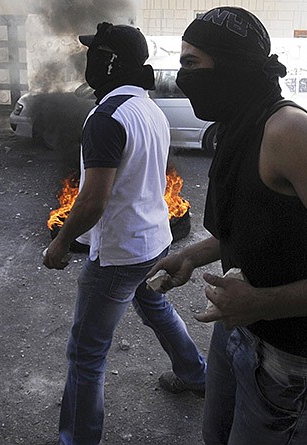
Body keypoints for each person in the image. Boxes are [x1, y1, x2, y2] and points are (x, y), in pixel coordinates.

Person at [146, 6, 307, 445]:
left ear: (231, 66)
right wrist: (193, 255)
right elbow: (255, 222)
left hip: (291, 359)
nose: (182, 75)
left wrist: (260, 304)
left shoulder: (290, 133)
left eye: (192, 63)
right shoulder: (235, 122)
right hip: (238, 330)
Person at [43, 22, 207, 445]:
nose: (87, 62)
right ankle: (195, 373)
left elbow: (94, 200)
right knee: (156, 309)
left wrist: (61, 242)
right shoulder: (147, 108)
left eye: (94, 54)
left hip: (119, 254)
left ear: (110, 62)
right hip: (155, 240)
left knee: (87, 355)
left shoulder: (106, 117)